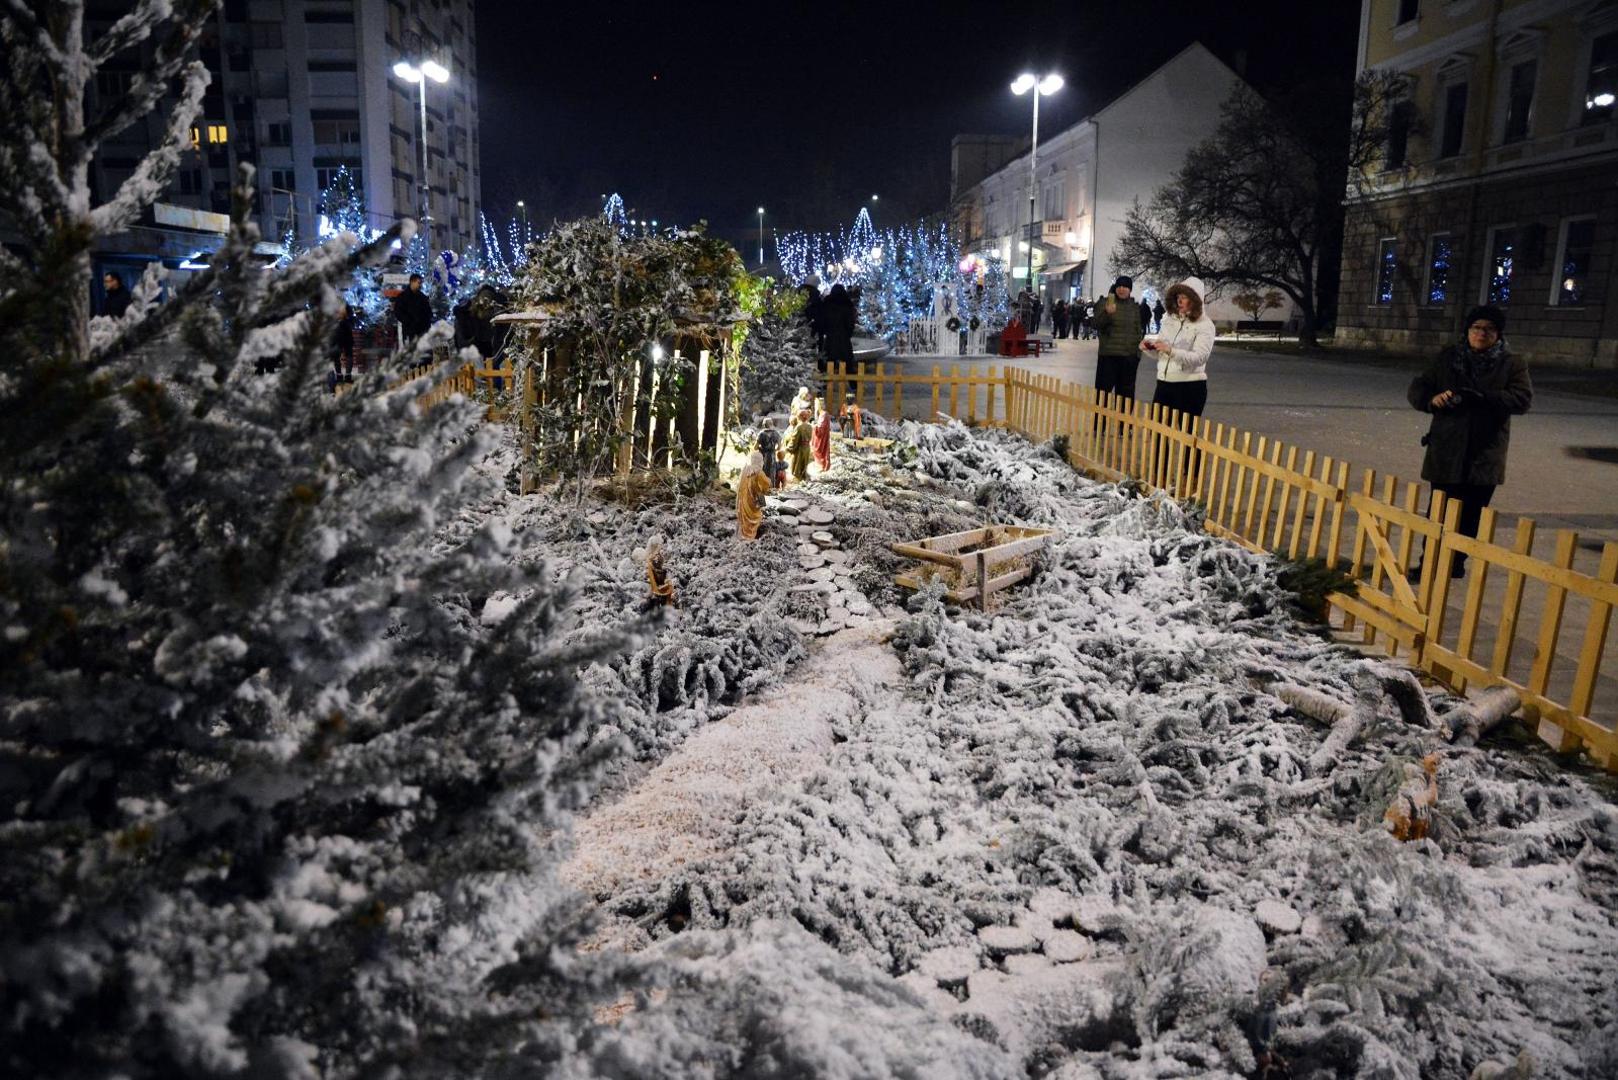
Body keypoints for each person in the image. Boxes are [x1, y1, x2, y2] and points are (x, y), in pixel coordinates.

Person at [1407, 305, 1532, 577]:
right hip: (1446, 447)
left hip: (1484, 453)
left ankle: (1455, 564)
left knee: (1471, 514)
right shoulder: (1448, 357)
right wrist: (1432, 399)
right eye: (1476, 327)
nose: (1481, 333)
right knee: (1438, 511)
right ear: (1468, 331)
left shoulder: (1512, 363)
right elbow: (1419, 387)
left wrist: (1486, 398)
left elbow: (1522, 399)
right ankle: (1428, 563)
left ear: (1498, 334)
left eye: (1489, 329)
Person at [1146, 277, 1216, 421]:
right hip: (1164, 384)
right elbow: (1163, 353)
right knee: (1158, 436)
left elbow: (1200, 357)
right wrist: (1150, 348)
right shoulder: (1169, 320)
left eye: (1184, 297)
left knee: (1187, 438)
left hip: (1189, 387)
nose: (1180, 301)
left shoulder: (1205, 325)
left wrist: (1171, 350)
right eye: (1178, 297)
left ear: (1195, 300)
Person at [1092, 276, 1142, 401]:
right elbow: (1096, 324)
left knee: (1126, 397)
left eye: (1125, 287)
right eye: (1119, 286)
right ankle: (1100, 421)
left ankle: (1123, 421)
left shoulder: (1134, 307)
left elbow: (1138, 330)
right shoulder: (1106, 302)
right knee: (1102, 395)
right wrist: (1107, 314)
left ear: (1130, 289)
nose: (1121, 289)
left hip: (1129, 358)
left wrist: (1137, 354)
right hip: (1109, 357)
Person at [736, 450, 772, 540]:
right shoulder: (759, 472)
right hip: (751, 502)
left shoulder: (746, 469)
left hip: (743, 501)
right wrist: (770, 481)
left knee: (745, 519)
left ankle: (742, 534)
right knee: (754, 518)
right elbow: (766, 485)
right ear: (760, 461)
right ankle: (749, 537)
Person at [821, 283, 856, 368]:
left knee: (829, 363)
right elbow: (850, 322)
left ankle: (829, 379)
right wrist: (848, 333)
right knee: (848, 364)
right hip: (844, 339)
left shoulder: (827, 303)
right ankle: (851, 379)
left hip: (830, 338)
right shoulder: (847, 304)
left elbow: (823, 320)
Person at [393, 273, 433, 347]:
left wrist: (426, 324)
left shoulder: (423, 297)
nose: (420, 285)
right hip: (409, 331)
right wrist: (409, 321)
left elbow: (428, 312)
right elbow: (398, 312)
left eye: (421, 283)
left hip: (422, 331)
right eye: (419, 283)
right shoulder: (403, 297)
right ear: (412, 282)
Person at [328, 301, 356, 390]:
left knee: (347, 355)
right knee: (338, 356)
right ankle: (341, 376)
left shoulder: (344, 307)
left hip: (343, 334)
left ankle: (346, 376)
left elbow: (351, 319)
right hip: (337, 335)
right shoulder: (333, 306)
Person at [784, 409, 814, 482]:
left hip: (800, 448)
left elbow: (795, 439)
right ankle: (804, 475)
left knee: (797, 463)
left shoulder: (799, 427)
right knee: (805, 462)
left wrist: (788, 448)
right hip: (807, 447)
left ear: (799, 417)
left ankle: (798, 477)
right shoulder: (810, 426)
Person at [811, 405, 832, 473]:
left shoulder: (824, 415)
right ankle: (821, 466)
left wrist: (814, 427)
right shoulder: (822, 415)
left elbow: (820, 430)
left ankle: (822, 466)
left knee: (821, 452)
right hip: (822, 437)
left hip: (822, 438)